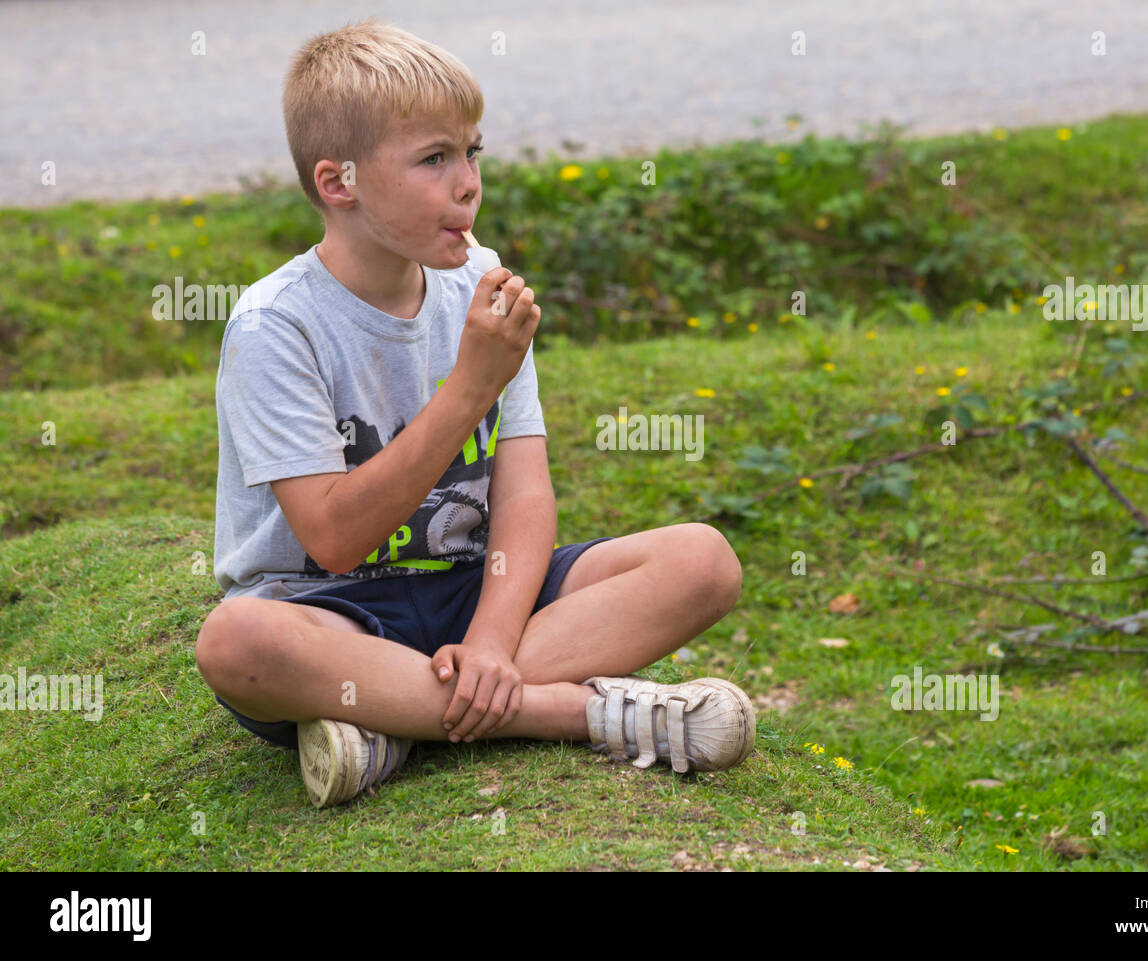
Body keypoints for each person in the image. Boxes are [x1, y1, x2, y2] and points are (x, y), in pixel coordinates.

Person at [195, 19, 755, 808]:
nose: (468, 183)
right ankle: (578, 710)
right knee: (236, 641)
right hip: (328, 612)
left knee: (703, 560)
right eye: (433, 158)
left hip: (474, 588)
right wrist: (470, 384)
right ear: (339, 183)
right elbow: (333, 537)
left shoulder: (479, 283)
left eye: (471, 152)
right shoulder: (275, 325)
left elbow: (524, 495)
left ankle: (391, 723)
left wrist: (492, 639)